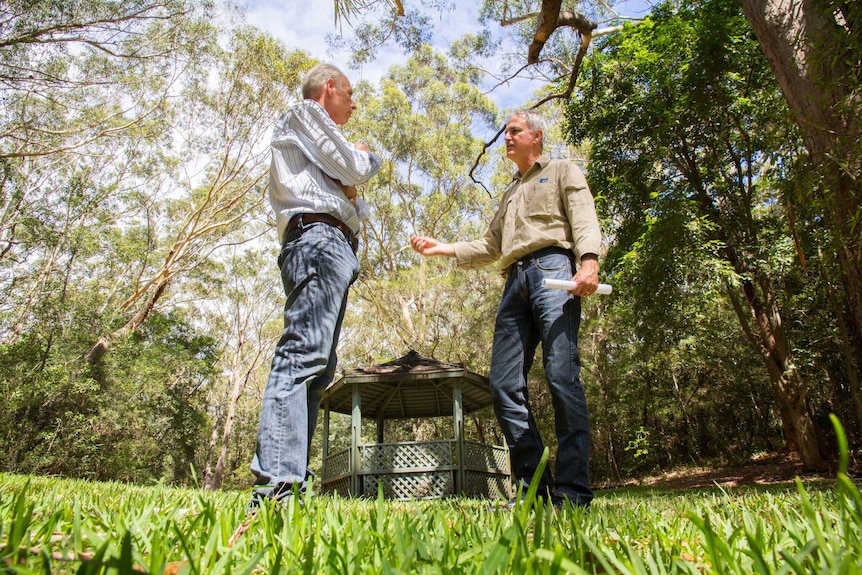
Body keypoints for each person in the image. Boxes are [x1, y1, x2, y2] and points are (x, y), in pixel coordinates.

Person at [410, 110, 602, 508]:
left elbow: (583, 215)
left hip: (555, 271)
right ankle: (536, 490)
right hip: (514, 280)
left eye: (514, 131)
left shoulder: (562, 170)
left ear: (536, 136)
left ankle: (573, 492)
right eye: (505, 133)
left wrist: (589, 261)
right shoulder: (510, 193)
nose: (506, 138)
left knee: (562, 376)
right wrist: (441, 248)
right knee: (502, 385)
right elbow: (489, 246)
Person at [250, 63, 381, 506]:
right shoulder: (305, 114)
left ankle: (292, 485)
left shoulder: (315, 138)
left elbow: (354, 205)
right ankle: (276, 488)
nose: (354, 103)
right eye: (350, 93)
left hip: (336, 245)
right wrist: (365, 157)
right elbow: (353, 170)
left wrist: (350, 184)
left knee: (320, 368)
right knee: (303, 354)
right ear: (330, 88)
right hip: (318, 239)